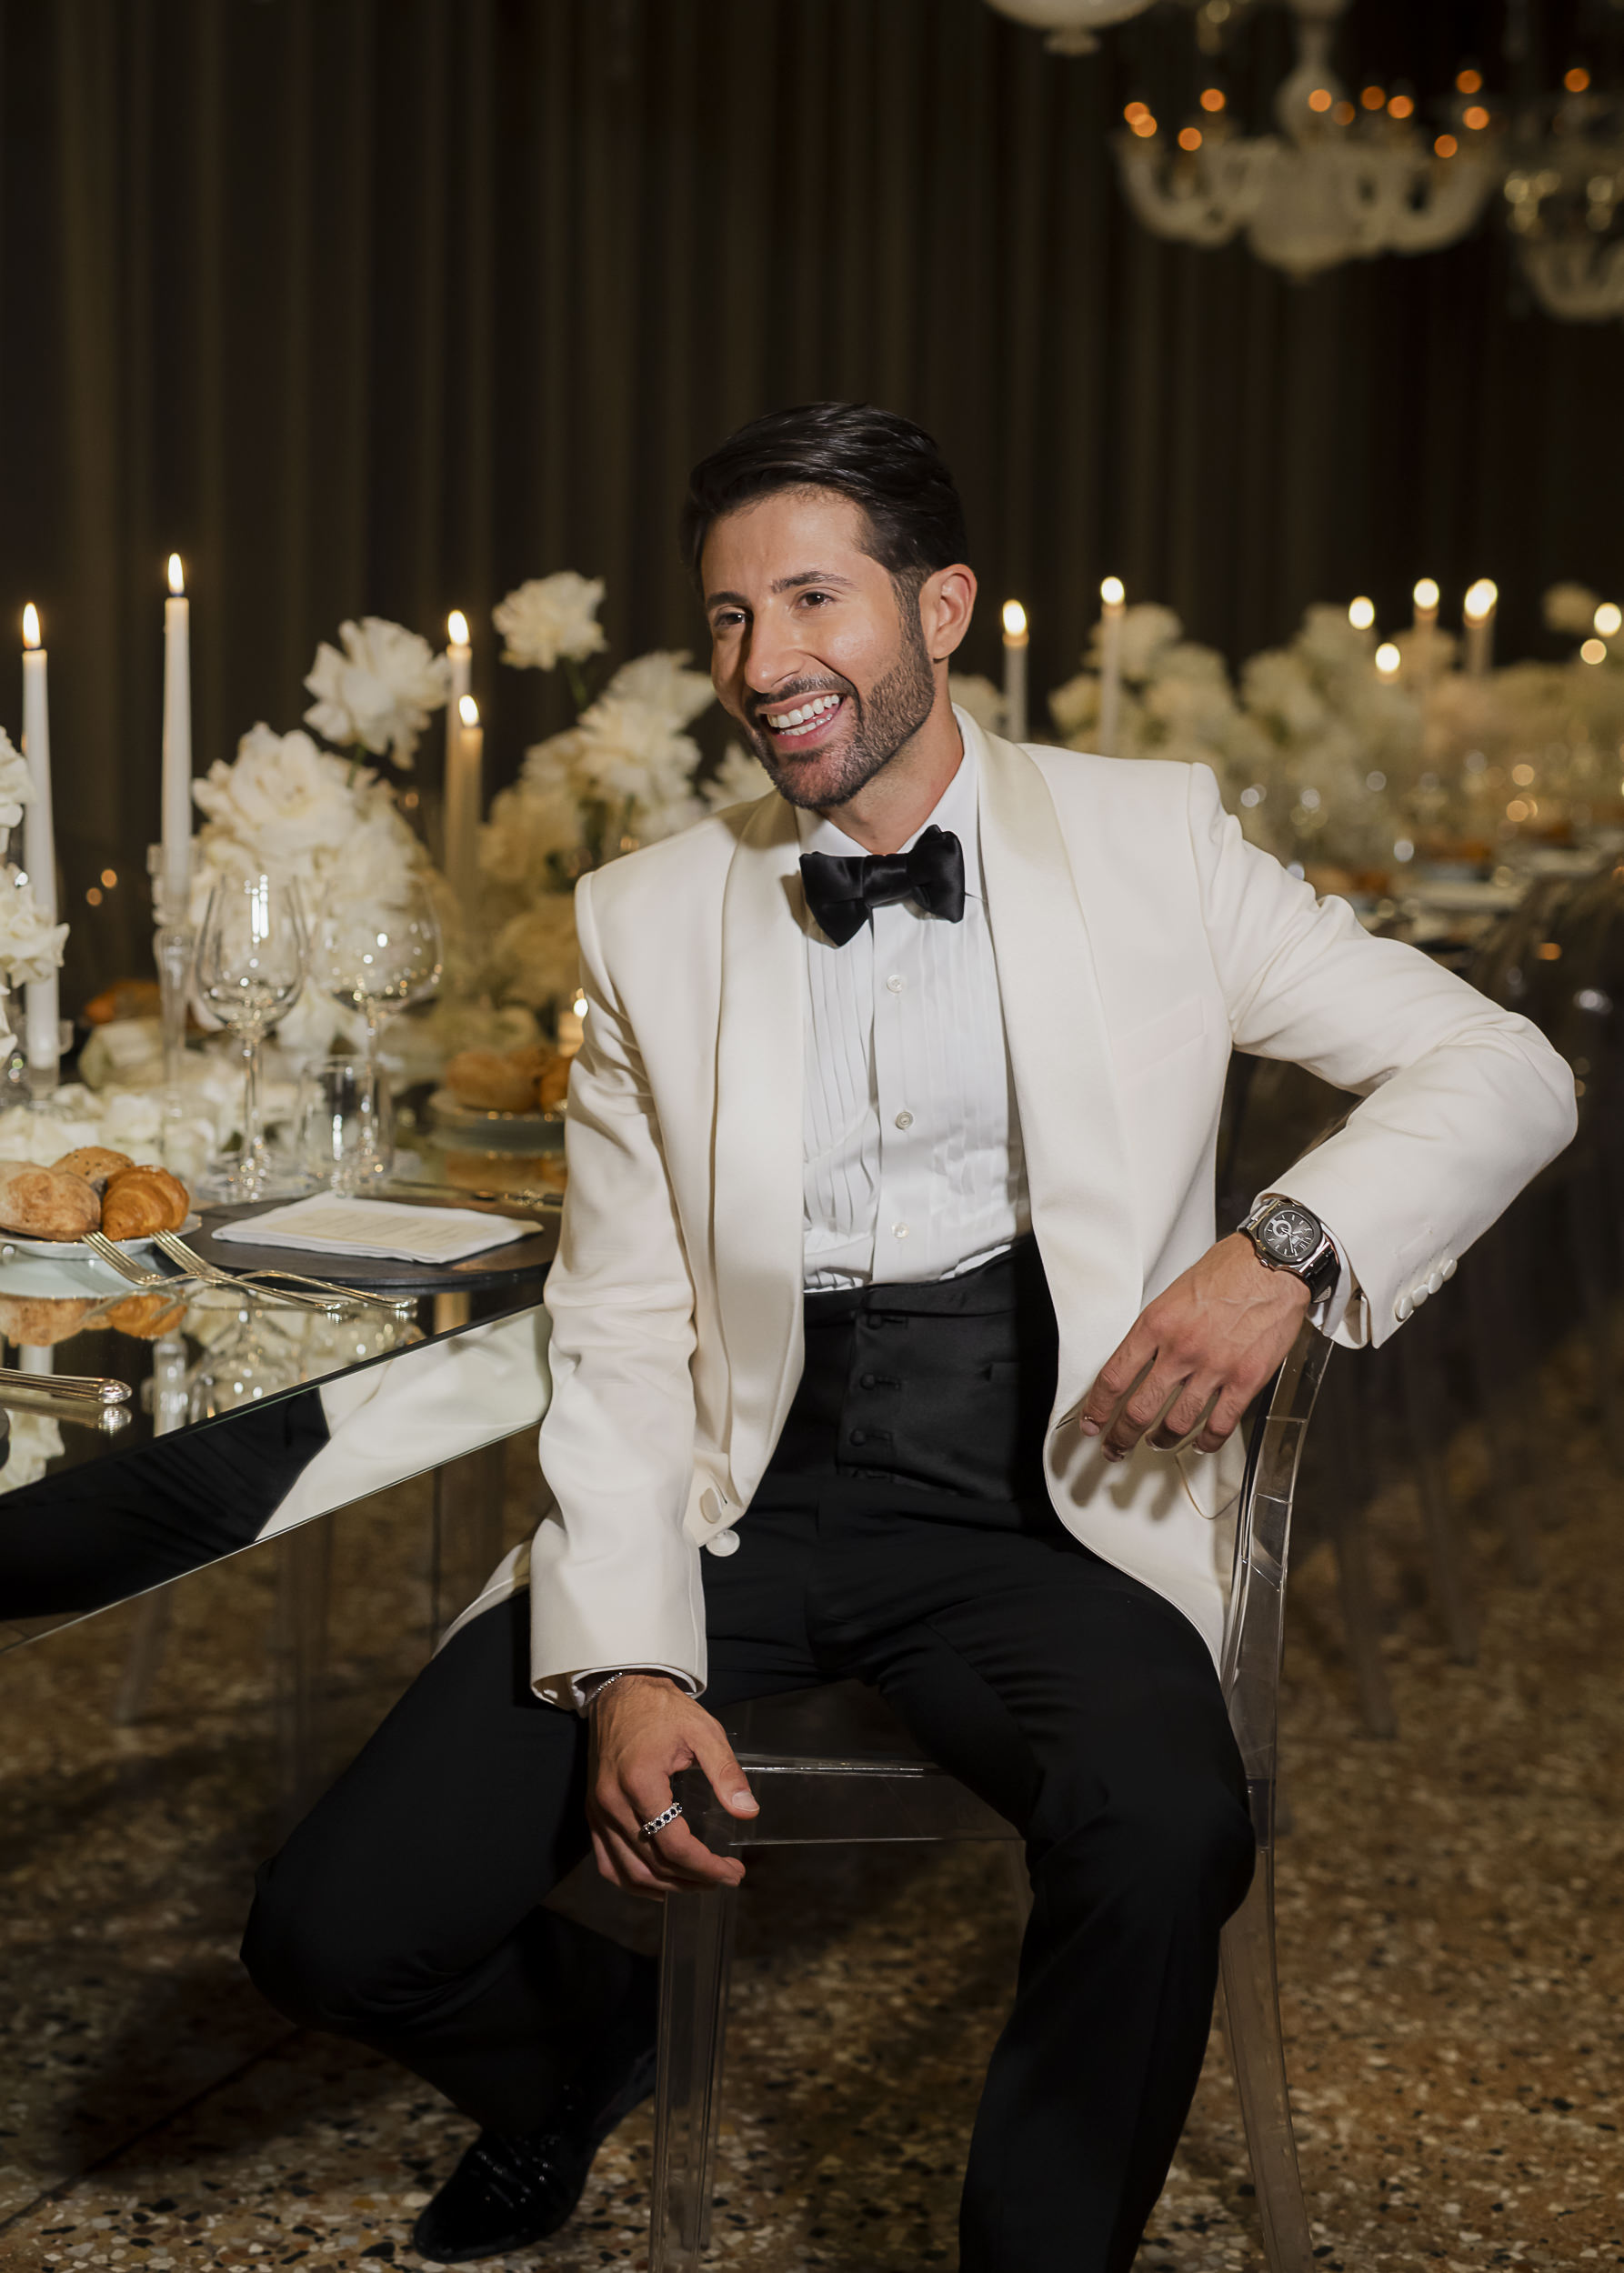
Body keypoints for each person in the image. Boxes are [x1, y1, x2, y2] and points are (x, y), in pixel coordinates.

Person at [242, 403, 1575, 2272]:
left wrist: (1279, 1248)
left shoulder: (1150, 839)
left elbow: (1499, 1065)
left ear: (939, 608)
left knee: (1161, 1827)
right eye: (728, 616)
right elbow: (620, 1324)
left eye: (813, 599)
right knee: (328, 1929)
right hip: (737, 1495)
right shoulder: (644, 917)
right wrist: (626, 1661)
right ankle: (576, 2051)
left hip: (1047, 1497)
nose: (762, 661)